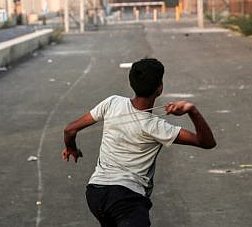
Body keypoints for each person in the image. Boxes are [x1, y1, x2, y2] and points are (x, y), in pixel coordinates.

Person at [62, 58, 216, 227]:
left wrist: (72, 149)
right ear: (160, 88)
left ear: (131, 83)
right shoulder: (156, 127)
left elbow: (70, 130)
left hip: (95, 193)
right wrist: (192, 110)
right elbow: (206, 142)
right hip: (127, 200)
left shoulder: (112, 103)